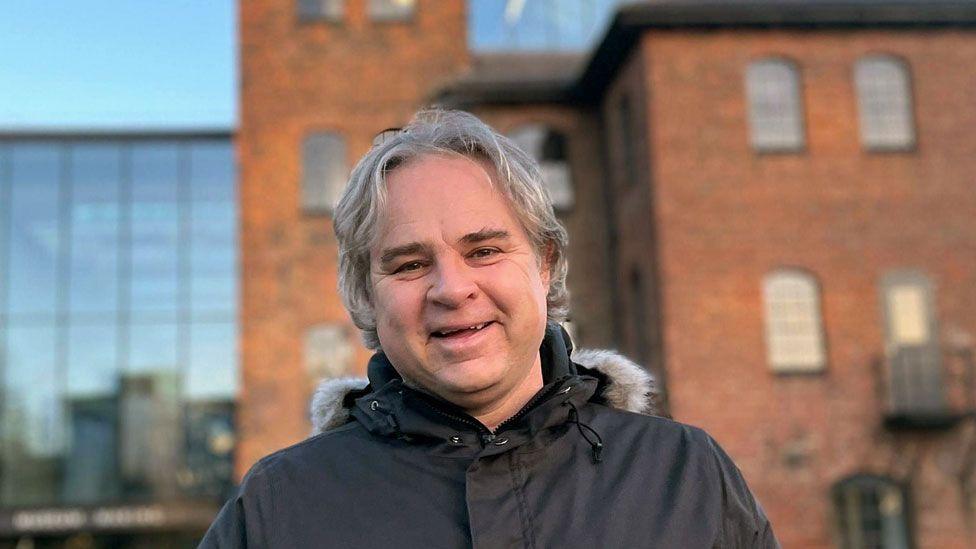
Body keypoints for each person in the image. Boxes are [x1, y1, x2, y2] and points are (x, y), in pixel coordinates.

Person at [199, 109, 779, 548]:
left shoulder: (683, 474)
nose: (451, 289)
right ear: (366, 294)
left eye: (483, 250)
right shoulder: (280, 507)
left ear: (545, 263)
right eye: (409, 264)